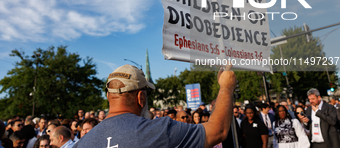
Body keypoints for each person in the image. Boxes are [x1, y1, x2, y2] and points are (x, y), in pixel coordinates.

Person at [73, 64, 236, 148]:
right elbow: (218, 131)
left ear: (109, 96)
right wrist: (226, 87)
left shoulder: (82, 143)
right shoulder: (158, 130)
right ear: (141, 97)